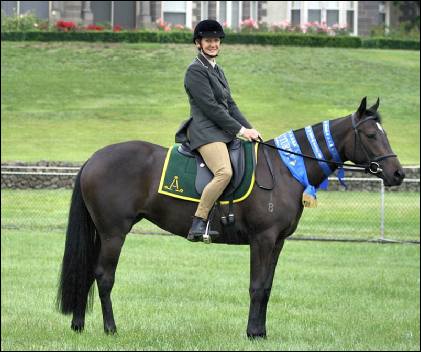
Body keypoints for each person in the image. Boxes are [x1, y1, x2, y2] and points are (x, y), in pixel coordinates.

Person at [180, 19, 260, 241]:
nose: (213, 44)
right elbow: (212, 109)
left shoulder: (218, 70)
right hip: (205, 132)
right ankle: (199, 220)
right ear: (198, 43)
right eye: (208, 40)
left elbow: (230, 105)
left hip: (222, 131)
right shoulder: (195, 71)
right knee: (224, 172)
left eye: (216, 40)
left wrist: (251, 129)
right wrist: (240, 131)